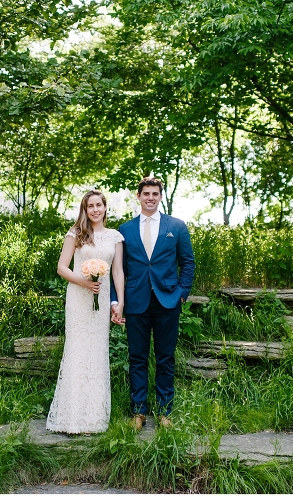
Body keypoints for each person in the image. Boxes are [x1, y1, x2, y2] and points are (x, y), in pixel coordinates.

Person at [111, 177, 195, 431]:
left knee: (165, 358)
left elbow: (188, 263)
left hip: (168, 300)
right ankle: (138, 412)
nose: (150, 197)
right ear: (138, 196)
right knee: (137, 358)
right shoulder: (124, 230)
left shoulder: (176, 226)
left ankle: (164, 412)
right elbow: (119, 269)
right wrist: (117, 300)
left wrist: (182, 292)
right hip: (136, 301)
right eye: (145, 193)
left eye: (155, 194)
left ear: (160, 196)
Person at [46, 190, 125, 434]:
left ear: (105, 207)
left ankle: (95, 418)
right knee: (78, 350)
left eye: (98, 205)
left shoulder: (115, 237)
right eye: (90, 206)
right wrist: (84, 282)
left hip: (101, 299)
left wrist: (119, 302)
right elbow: (61, 268)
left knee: (96, 352)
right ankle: (71, 418)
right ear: (85, 209)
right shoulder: (76, 233)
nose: (95, 210)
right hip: (79, 298)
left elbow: (117, 272)